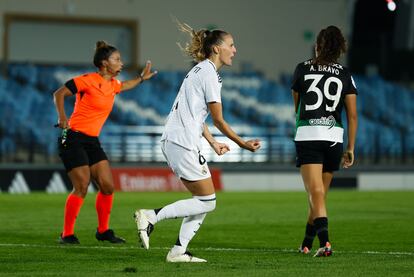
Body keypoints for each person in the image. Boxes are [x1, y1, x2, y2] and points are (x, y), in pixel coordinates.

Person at [134, 22, 261, 262]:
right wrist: (243, 144)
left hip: (179, 139)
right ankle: (151, 216)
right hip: (181, 141)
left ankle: (179, 251)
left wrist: (212, 142)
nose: (234, 50)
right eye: (231, 45)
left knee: (204, 201)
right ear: (216, 48)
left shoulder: (201, 71)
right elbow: (219, 120)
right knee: (208, 201)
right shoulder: (209, 74)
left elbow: (198, 116)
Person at [53, 41, 157, 244]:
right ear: (104, 63)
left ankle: (103, 231)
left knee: (108, 186)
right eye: (117, 59)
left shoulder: (113, 85)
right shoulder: (87, 80)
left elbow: (126, 85)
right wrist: (62, 117)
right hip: (72, 137)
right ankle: (66, 234)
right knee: (81, 186)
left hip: (92, 140)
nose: (121, 62)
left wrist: (142, 78)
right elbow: (59, 94)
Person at [291, 26, 358, 257]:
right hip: (334, 137)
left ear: (317, 45)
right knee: (319, 195)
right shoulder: (345, 74)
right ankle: (306, 243)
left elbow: (297, 107)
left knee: (315, 193)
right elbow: (352, 115)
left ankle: (326, 243)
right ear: (340, 48)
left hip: (309, 135)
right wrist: (350, 147)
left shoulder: (302, 68)